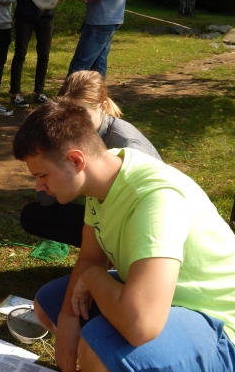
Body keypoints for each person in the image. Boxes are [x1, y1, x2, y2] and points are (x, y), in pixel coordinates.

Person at [13, 98, 235, 372]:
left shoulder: (155, 198)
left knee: (97, 348)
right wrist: (68, 321)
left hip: (222, 325)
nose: (39, 187)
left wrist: (92, 281)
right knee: (49, 304)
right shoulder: (104, 176)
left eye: (42, 175)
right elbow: (90, 256)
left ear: (76, 160)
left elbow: (140, 325)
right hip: (169, 295)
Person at [20, 70, 161, 247]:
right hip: (105, 213)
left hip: (142, 225)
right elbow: (46, 200)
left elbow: (148, 211)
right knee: (33, 215)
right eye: (67, 113)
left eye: (81, 113)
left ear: (102, 108)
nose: (73, 122)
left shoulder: (129, 145)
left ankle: (115, 255)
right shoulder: (73, 136)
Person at [60, 0, 126, 78]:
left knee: (79, 65)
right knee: (98, 64)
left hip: (100, 21)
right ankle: (98, 91)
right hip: (110, 19)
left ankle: (69, 91)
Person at [9, 0, 55, 108]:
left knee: (44, 55)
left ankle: (39, 92)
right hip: (24, 14)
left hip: (46, 14)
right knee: (20, 53)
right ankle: (15, 94)